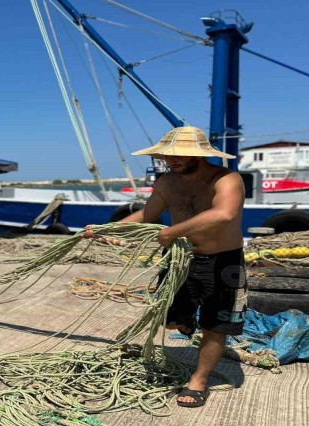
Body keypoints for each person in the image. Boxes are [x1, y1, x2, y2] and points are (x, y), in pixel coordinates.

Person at [85, 126, 247, 408]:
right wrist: (108, 229)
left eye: (178, 155)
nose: (170, 161)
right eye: (166, 156)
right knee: (171, 319)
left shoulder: (227, 178)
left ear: (198, 154)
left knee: (216, 326)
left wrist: (171, 233)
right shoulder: (166, 182)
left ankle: (198, 381)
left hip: (222, 262)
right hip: (180, 260)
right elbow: (147, 215)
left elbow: (224, 213)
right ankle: (187, 320)